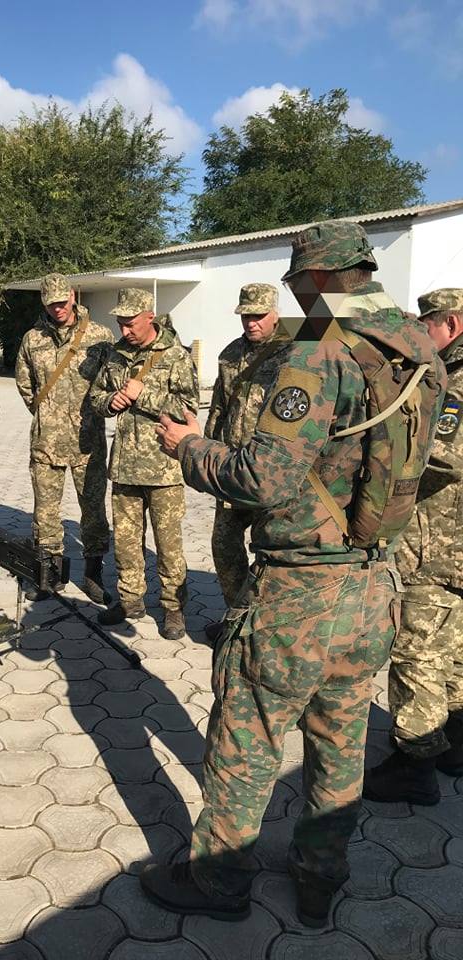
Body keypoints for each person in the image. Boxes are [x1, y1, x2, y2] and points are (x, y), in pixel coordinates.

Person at [140, 221, 445, 926]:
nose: (296, 298)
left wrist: (189, 447)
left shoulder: (319, 351)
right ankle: (319, 879)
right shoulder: (416, 344)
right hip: (374, 584)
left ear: (315, 279)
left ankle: (219, 881)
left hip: (299, 591)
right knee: (339, 743)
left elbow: (262, 479)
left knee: (246, 737)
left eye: (297, 284)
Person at [364, 288, 463, 805]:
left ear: (451, 324)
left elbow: (442, 452)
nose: (420, 334)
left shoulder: (454, 379)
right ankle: (454, 742)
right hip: (452, 544)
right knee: (454, 645)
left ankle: (414, 763)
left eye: (426, 324)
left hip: (439, 544)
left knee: (417, 650)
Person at [90, 287, 199, 641]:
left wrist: (143, 395)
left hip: (163, 467)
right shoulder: (115, 354)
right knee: (125, 542)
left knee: (168, 545)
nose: (125, 330)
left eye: (131, 323)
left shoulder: (175, 355)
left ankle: (173, 607)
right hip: (124, 466)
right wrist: (110, 401)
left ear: (149, 317)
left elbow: (189, 409)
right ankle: (129, 600)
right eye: (120, 323)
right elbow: (95, 396)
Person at [15, 272, 113, 603]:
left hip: (88, 442)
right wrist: (46, 413)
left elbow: (109, 382)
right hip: (46, 442)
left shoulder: (99, 336)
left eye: (61, 301)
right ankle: (49, 576)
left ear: (72, 296)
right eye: (51, 304)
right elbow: (24, 383)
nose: (57, 308)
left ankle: (93, 574)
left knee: (93, 509)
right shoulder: (32, 339)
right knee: (45, 512)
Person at [204, 282, 288, 641]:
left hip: (271, 471)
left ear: (275, 314)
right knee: (224, 546)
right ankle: (235, 619)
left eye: (258, 316)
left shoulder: (292, 353)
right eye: (245, 316)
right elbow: (218, 408)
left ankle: (264, 629)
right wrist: (207, 454)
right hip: (232, 469)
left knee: (271, 555)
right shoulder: (230, 354)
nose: (251, 322)